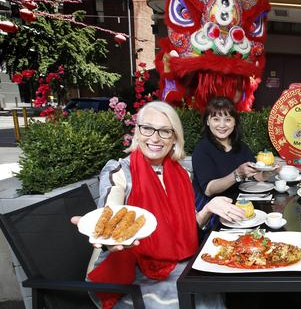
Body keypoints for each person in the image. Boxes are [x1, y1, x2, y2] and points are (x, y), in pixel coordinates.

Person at [72, 101, 243, 308]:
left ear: (174, 138)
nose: (154, 138)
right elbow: (111, 209)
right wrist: (109, 234)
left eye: (164, 131)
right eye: (147, 128)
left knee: (216, 290)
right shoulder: (119, 171)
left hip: (179, 264)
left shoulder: (182, 174)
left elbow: (189, 227)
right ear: (137, 132)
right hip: (132, 273)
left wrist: (208, 208)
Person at [192, 97, 278, 233]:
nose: (222, 125)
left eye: (227, 119)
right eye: (216, 119)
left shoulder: (241, 147)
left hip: (244, 207)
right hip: (217, 214)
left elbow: (255, 177)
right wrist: (237, 174)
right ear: (208, 122)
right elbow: (209, 189)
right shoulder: (202, 149)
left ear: (234, 122)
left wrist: (270, 172)